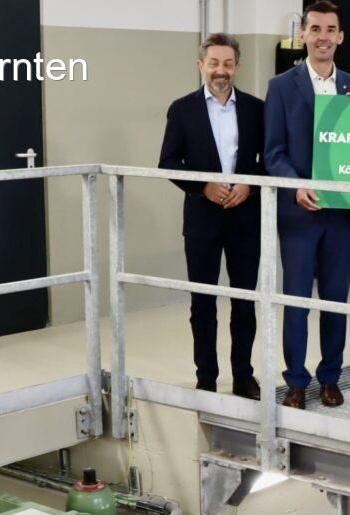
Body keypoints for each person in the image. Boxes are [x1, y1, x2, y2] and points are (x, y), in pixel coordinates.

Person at [264, 1, 350, 409]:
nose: (323, 37)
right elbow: (273, 152)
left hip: (342, 214)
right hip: (299, 213)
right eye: (315, 29)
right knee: (296, 301)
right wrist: (296, 187)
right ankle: (295, 381)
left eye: (330, 29)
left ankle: (330, 378)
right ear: (304, 34)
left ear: (341, 36)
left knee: (335, 301)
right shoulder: (280, 86)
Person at [158, 33, 265, 399]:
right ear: (201, 65)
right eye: (215, 63)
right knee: (202, 303)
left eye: (228, 64)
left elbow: (268, 160)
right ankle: (206, 377)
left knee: (244, 302)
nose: (222, 70)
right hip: (202, 219)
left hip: (245, 219)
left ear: (238, 67)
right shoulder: (182, 109)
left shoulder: (256, 108)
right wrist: (202, 186)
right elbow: (168, 162)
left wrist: (249, 186)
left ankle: (243, 376)